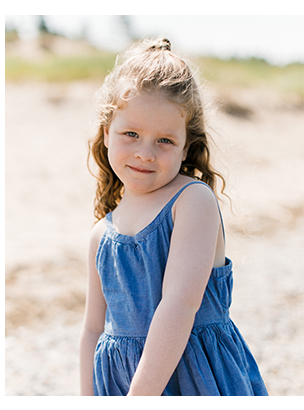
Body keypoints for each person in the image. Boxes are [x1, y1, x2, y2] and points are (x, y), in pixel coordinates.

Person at [79, 38, 266, 396]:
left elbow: (180, 305)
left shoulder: (192, 200)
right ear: (106, 134)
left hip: (194, 380)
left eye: (164, 140)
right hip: (122, 384)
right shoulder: (100, 234)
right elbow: (92, 329)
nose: (145, 153)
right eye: (130, 134)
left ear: (185, 146)